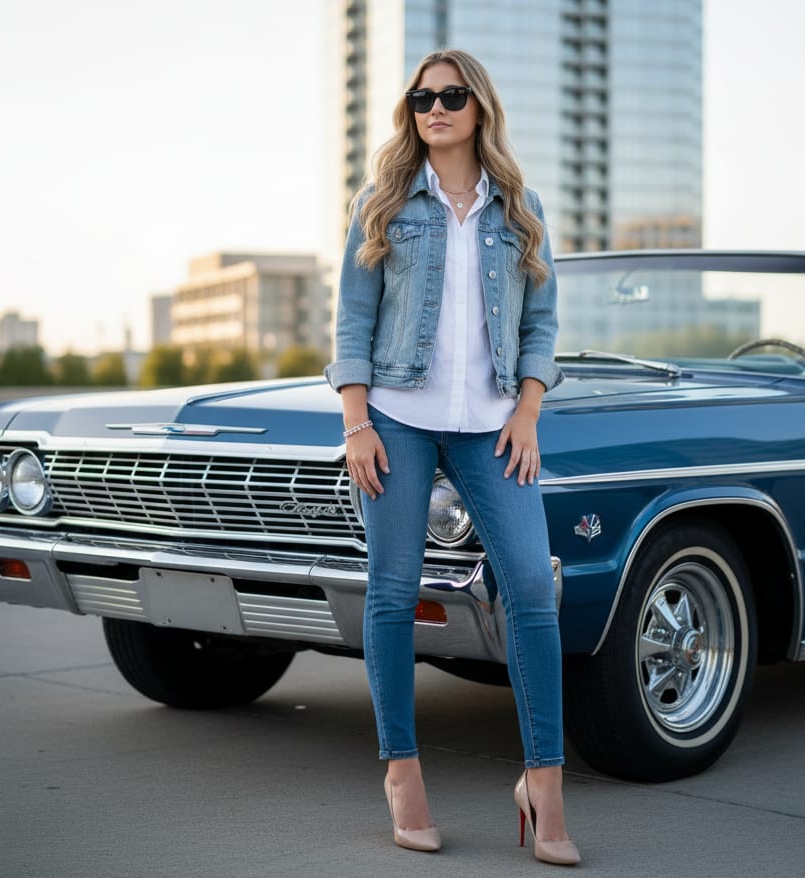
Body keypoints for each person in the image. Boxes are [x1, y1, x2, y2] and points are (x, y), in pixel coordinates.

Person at [324, 48, 580, 866]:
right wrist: (357, 424)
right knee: (393, 593)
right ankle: (402, 775)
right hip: (396, 417)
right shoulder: (384, 202)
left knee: (531, 589)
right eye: (422, 97)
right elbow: (352, 319)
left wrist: (529, 409)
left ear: (480, 108)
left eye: (452, 95)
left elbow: (541, 323)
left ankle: (544, 785)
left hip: (493, 423)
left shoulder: (520, 207)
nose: (435, 107)